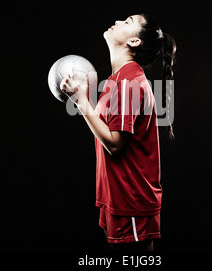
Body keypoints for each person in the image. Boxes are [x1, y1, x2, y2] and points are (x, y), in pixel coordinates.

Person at [60, 14, 176, 251]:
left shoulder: (129, 81)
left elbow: (114, 145)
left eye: (128, 21)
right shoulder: (118, 79)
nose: (119, 21)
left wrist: (82, 102)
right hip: (116, 197)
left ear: (134, 41)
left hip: (130, 200)